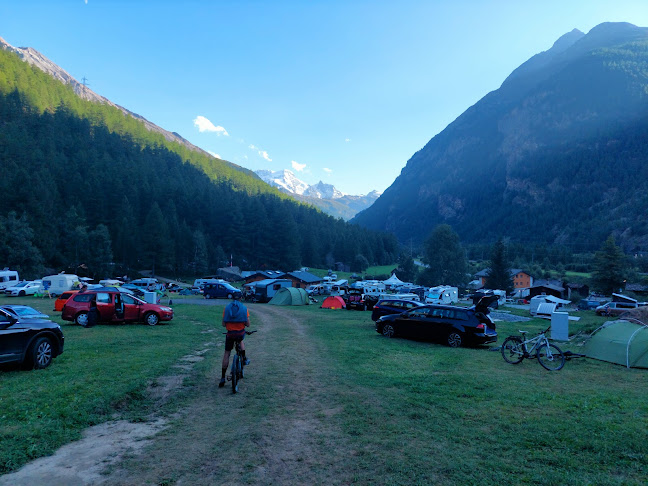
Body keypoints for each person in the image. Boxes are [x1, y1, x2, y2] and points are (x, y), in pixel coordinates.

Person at [219, 294, 250, 387]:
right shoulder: (244, 308)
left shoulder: (227, 308)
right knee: (241, 340)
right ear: (241, 298)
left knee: (227, 353)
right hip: (240, 333)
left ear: (232, 298)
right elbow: (248, 324)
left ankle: (223, 377)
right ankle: (244, 358)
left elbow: (223, 324)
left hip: (230, 334)